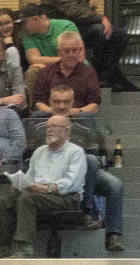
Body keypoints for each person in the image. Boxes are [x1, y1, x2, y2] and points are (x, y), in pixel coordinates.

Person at [29, 85, 122, 252]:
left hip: (85, 170)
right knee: (90, 160)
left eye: (66, 102)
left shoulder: (84, 120)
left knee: (113, 182)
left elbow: (94, 151)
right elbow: (32, 152)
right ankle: (87, 213)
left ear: (73, 102)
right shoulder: (41, 123)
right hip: (51, 170)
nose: (61, 106)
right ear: (50, 102)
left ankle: (113, 234)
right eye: (57, 101)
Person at [0, 113, 84, 258]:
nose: (49, 130)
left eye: (54, 126)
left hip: (65, 197)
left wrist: (48, 188)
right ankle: (1, 248)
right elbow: (30, 177)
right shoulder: (39, 152)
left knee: (27, 199)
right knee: (5, 201)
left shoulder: (76, 152)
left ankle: (24, 248)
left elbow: (72, 183)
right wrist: (19, 184)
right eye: (48, 127)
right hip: (38, 194)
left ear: (66, 131)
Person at [42, 0, 138, 91]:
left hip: (76, 24)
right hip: (61, 29)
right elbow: (73, 10)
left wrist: (91, 11)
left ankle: (104, 77)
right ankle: (98, 77)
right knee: (100, 31)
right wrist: (101, 18)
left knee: (119, 35)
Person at [31, 30, 100, 119]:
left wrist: (78, 111)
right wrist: (55, 112)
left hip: (79, 118)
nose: (71, 55)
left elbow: (94, 105)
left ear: (80, 51)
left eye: (74, 50)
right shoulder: (46, 72)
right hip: (50, 118)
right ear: (59, 51)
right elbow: (39, 102)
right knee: (37, 115)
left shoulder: (89, 73)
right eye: (67, 51)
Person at [20, 3, 78, 87]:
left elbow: (75, 57)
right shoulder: (28, 36)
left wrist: (47, 62)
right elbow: (33, 59)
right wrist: (62, 60)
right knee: (32, 72)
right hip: (48, 71)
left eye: (24, 23)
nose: (23, 27)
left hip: (74, 68)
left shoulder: (66, 26)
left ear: (35, 19)